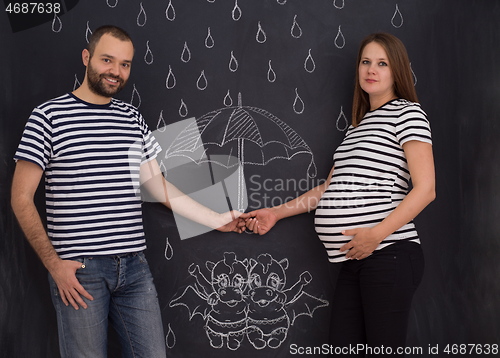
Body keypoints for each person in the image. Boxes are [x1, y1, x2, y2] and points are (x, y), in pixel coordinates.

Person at [11, 25, 243, 358]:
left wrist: (217, 219)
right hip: (80, 271)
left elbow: (157, 185)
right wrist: (54, 265)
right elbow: (21, 198)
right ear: (87, 58)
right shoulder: (48, 116)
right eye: (108, 60)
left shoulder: (131, 117)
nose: (116, 72)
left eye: (125, 64)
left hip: (134, 269)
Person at [244, 32, 435, 356]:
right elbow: (328, 190)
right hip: (355, 258)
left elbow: (426, 189)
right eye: (365, 61)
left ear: (397, 71)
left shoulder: (407, 113)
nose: (371, 69)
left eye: (382, 63)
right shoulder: (356, 128)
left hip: (389, 253)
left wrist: (376, 235)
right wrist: (276, 213)